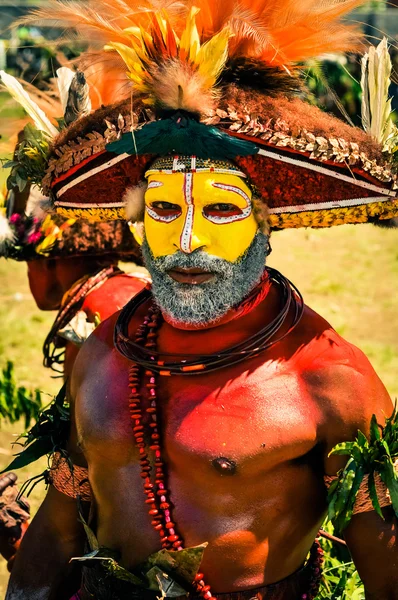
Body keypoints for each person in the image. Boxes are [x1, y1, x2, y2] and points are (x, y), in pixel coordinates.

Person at [4, 1, 398, 599]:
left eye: (220, 209)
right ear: (136, 224)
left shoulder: (332, 383)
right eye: (163, 209)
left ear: (266, 225)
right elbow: (58, 534)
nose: (186, 241)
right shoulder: (103, 354)